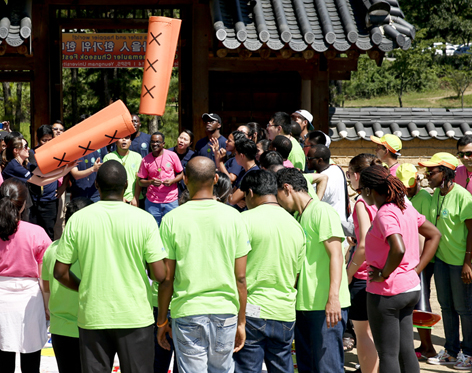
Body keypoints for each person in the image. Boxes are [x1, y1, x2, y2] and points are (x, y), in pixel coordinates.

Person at [54, 161, 167, 373]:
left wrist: (84, 286)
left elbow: (60, 272)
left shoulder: (78, 220)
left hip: (93, 315)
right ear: (126, 185)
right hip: (135, 316)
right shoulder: (145, 220)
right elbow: (160, 274)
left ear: (96, 185)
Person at [156, 156, 247, 372]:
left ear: (185, 179)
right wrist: (242, 322)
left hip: (187, 311)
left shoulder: (172, 219)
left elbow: (167, 278)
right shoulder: (234, 217)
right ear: (216, 178)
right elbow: (241, 278)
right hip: (225, 311)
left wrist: (161, 321)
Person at [359, 165, 441, 373]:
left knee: (387, 354)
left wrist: (384, 273)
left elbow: (398, 248)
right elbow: (434, 235)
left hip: (386, 292)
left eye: (360, 190)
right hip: (410, 289)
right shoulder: (405, 206)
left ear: (369, 190)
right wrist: (416, 270)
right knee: (406, 350)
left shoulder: (385, 214)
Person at [275, 167, 351, 373]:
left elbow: (336, 254)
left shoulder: (321, 211)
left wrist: (333, 298)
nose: (279, 203)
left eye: (278, 197)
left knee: (328, 368)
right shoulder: (300, 217)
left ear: (287, 189)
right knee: (307, 367)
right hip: (303, 306)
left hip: (325, 306)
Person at [0, 179, 51, 373]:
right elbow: (44, 280)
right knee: (31, 361)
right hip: (30, 301)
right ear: (23, 204)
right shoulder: (37, 233)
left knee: (4, 364)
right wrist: (47, 306)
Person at [234, 169, 305, 373]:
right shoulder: (295, 225)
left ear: (250, 192)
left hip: (251, 311)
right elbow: (295, 277)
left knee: (247, 368)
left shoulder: (244, 220)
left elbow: (236, 273)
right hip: (284, 312)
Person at [418, 153, 472, 369]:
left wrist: (468, 263)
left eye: (431, 172)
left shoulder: (463, 197)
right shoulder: (434, 196)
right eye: (426, 172)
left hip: (460, 262)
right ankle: (451, 351)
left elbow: (471, 231)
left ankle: (468, 353)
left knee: (464, 308)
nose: (427, 176)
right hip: (441, 261)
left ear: (446, 173)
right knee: (446, 307)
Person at [42, 197, 93, 373]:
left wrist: (49, 311)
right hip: (91, 326)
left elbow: (46, 288)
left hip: (60, 327)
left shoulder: (51, 249)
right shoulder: (94, 251)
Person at [396, 162, 438, 359]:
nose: (406, 187)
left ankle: (428, 345)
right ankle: (421, 345)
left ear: (417, 181)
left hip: (421, 259)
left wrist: (420, 264)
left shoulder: (424, 198)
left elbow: (427, 231)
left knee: (422, 303)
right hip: (410, 258)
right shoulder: (404, 198)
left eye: (409, 184)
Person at [345, 154, 381, 373]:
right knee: (377, 332)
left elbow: (365, 246)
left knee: (362, 333)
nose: (349, 179)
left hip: (363, 275)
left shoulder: (361, 202)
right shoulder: (388, 197)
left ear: (357, 175)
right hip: (384, 272)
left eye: (349, 175)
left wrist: (348, 273)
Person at [1, 134, 76, 238]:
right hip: (12, 205)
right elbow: (40, 182)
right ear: (16, 150)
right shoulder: (14, 166)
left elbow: (43, 173)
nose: (28, 149)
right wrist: (64, 172)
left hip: (22, 203)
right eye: (25, 146)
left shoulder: (24, 164)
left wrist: (65, 169)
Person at [137, 132, 184, 225]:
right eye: (153, 142)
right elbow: (140, 182)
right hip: (152, 202)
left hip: (171, 200)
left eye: (158, 142)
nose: (155, 144)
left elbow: (181, 174)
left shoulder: (172, 155)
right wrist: (151, 182)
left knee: (173, 227)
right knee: (154, 228)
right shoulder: (145, 160)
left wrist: (172, 181)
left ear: (163, 144)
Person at [306, 144, 351, 235]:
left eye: (309, 158)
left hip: (330, 229)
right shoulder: (336, 168)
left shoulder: (321, 182)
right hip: (340, 224)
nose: (306, 161)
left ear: (320, 160)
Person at [103, 135, 142, 206]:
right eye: (121, 138)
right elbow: (108, 180)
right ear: (116, 142)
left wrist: (135, 197)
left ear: (130, 142)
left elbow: (138, 179)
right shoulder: (108, 157)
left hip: (133, 199)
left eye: (127, 138)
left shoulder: (137, 157)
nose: (124, 140)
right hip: (115, 198)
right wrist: (119, 196)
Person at [229, 136, 260, 210]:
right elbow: (233, 192)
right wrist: (236, 200)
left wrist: (234, 199)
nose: (235, 157)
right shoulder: (243, 171)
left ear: (242, 156)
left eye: (236, 154)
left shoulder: (253, 174)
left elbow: (232, 199)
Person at [170, 129, 195, 195]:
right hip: (170, 189)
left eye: (185, 139)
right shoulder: (168, 153)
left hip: (186, 191)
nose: (181, 141)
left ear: (190, 143)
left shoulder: (193, 156)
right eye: (180, 138)